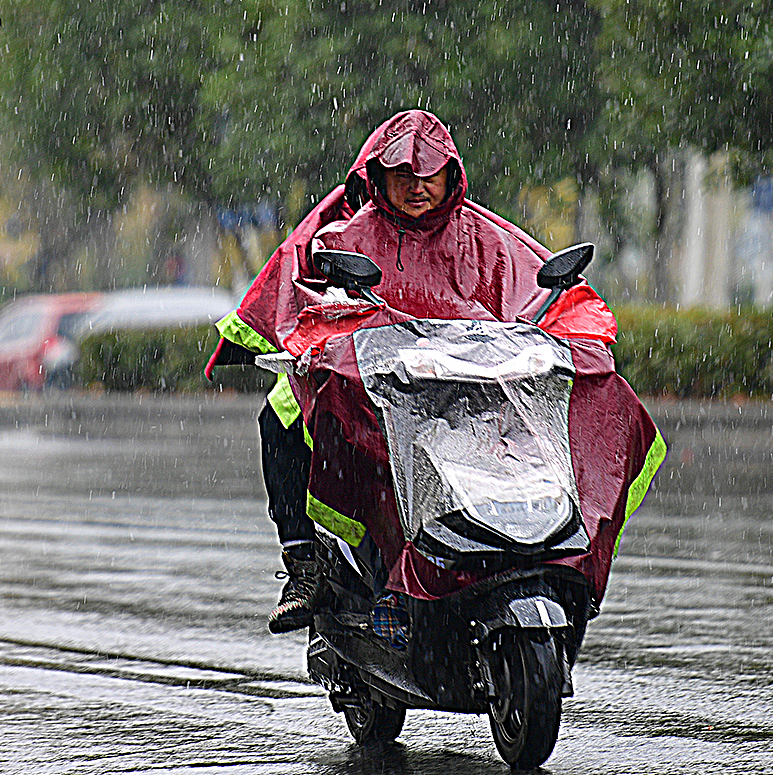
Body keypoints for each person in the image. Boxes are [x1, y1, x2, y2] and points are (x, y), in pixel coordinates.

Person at [207, 110, 576, 632]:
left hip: (472, 394)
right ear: (378, 176)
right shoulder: (345, 236)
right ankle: (305, 566)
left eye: (430, 175)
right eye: (403, 174)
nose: (418, 187)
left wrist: (569, 331)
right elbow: (303, 294)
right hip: (376, 393)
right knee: (281, 418)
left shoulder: (484, 236)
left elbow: (540, 291)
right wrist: (322, 335)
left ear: (452, 175)